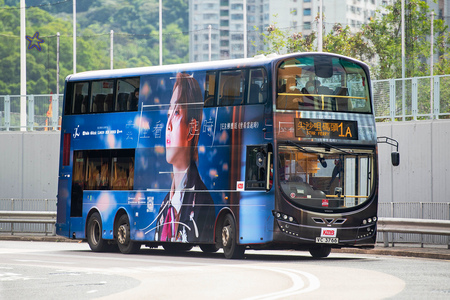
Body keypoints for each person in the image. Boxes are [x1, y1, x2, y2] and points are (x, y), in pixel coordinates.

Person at [154, 73, 215, 243]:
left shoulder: (203, 202)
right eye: (168, 115)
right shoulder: (165, 205)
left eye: (177, 113)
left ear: (191, 129)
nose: (168, 125)